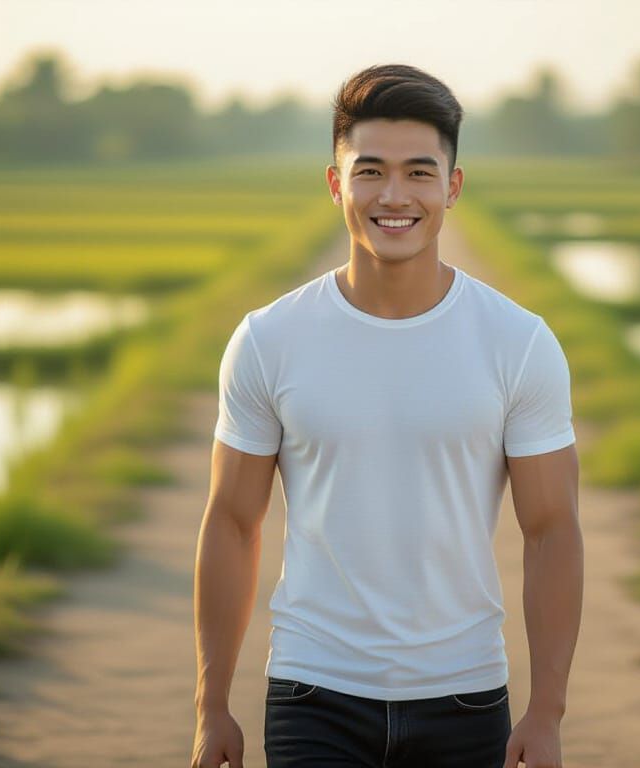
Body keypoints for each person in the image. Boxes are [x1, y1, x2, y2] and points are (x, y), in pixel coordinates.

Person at [191, 63, 582, 768]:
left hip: (465, 693)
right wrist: (210, 705)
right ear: (335, 183)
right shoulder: (270, 339)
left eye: (418, 173)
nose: (394, 196)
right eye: (369, 171)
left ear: (452, 187)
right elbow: (231, 522)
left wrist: (547, 711)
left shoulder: (517, 342)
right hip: (313, 689)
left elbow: (551, 531)